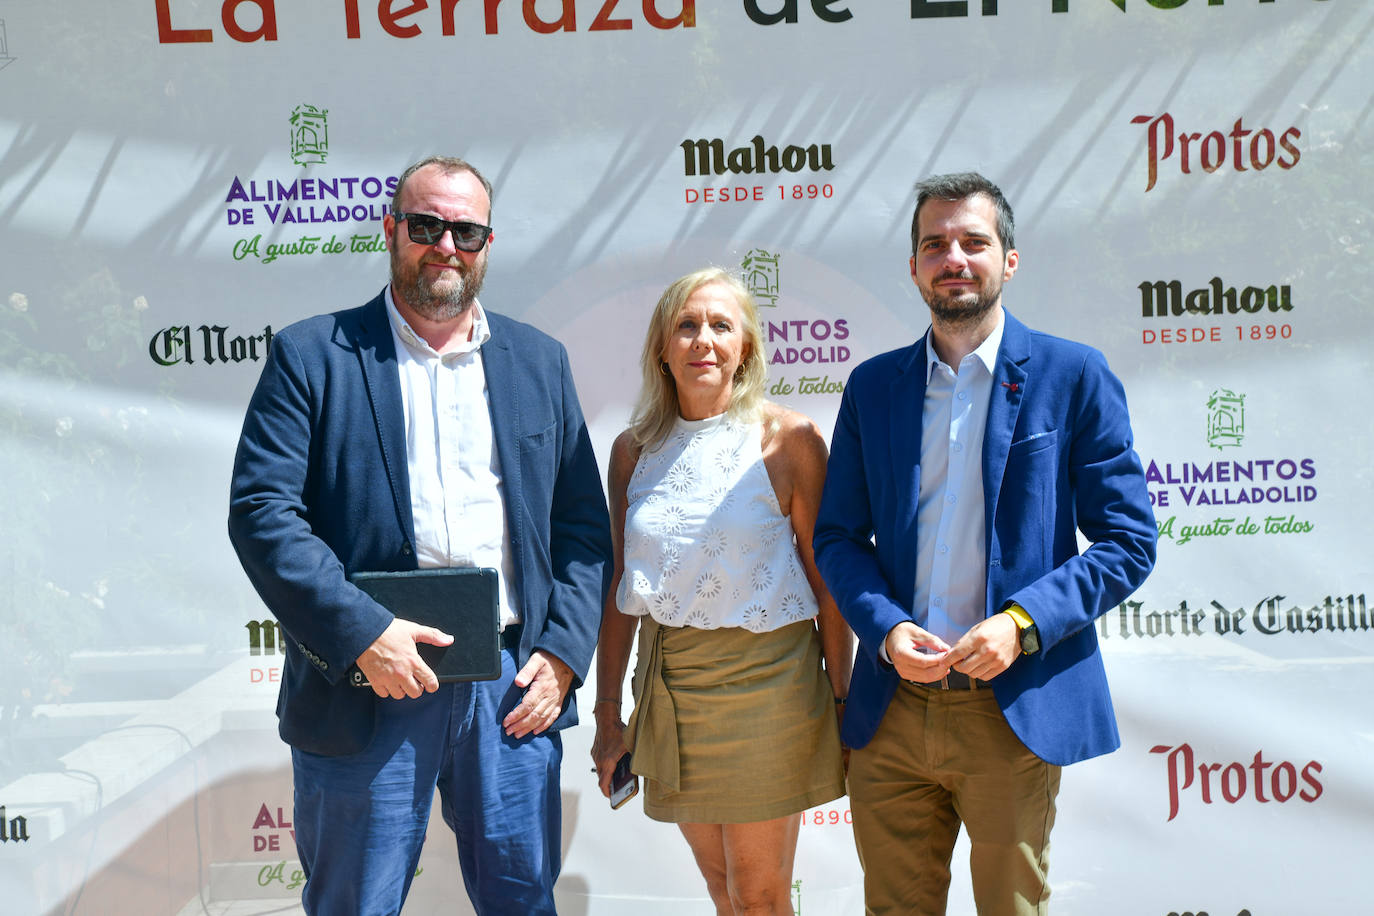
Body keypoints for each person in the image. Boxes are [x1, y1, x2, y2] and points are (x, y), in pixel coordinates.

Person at [227, 155, 612, 916]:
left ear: (488, 243)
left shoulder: (539, 361)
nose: (446, 244)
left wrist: (564, 654)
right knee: (354, 905)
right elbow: (262, 513)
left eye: (465, 229)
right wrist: (364, 632)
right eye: (426, 224)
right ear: (392, 230)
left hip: (509, 683)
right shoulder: (312, 355)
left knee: (523, 903)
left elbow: (580, 528)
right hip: (365, 678)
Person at [813, 172, 1157, 916]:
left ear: (1009, 259)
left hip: (1013, 706)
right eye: (934, 244)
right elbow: (838, 537)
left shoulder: (1074, 376)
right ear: (913, 268)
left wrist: (1020, 623)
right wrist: (886, 628)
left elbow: (1128, 541)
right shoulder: (873, 387)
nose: (954, 257)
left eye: (974, 241)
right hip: (894, 710)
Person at [590, 267, 851, 916]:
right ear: (662, 347)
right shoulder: (632, 451)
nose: (702, 339)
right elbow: (621, 591)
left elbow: (829, 580)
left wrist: (844, 696)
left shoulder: (788, 441)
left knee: (760, 897)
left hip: (770, 687)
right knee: (722, 892)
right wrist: (606, 717)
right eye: (687, 324)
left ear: (746, 349)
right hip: (672, 691)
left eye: (720, 325)